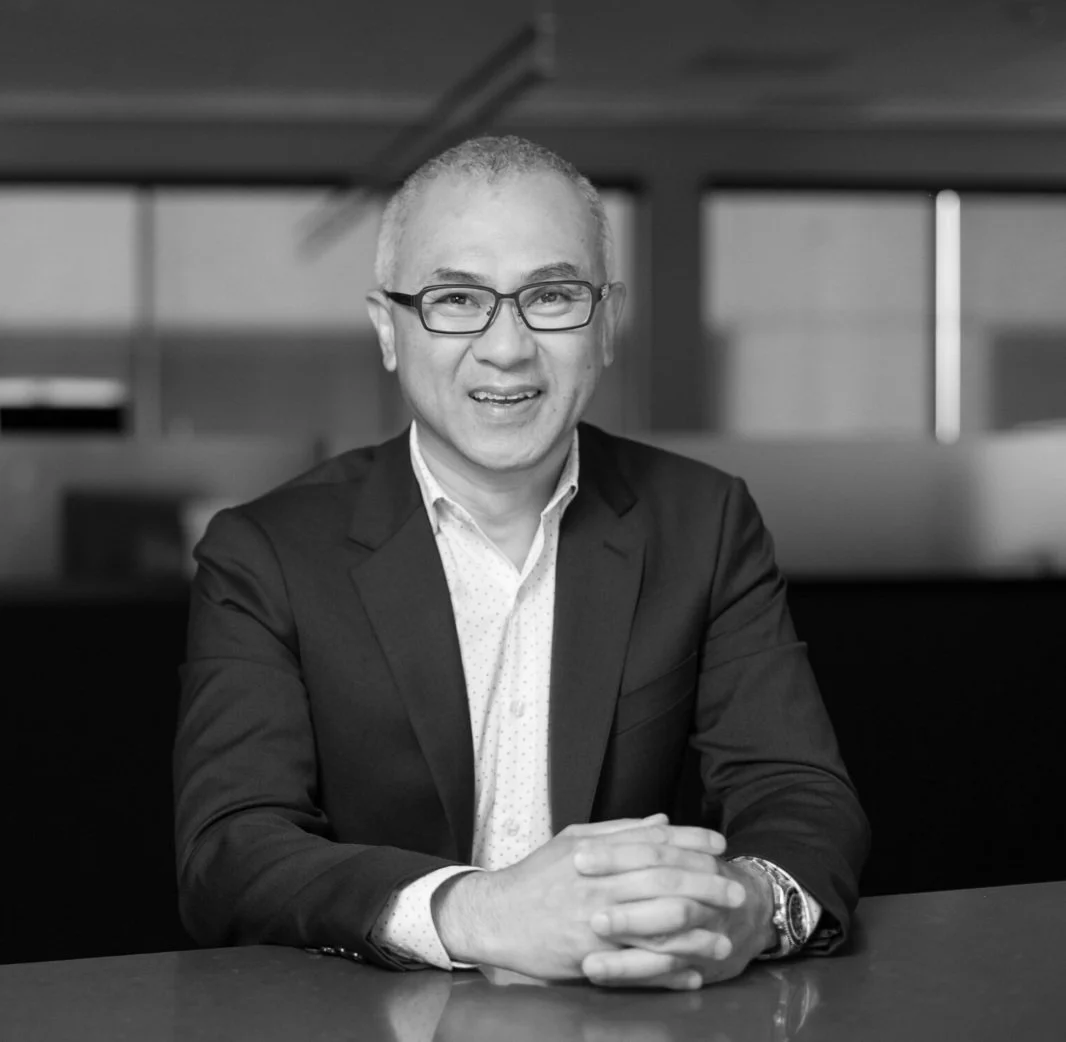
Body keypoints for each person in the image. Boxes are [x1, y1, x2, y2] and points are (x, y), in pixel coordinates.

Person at [174, 135, 869, 991]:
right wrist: (486, 913)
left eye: (551, 296)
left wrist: (748, 905)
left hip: (638, 1014)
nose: (507, 348)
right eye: (456, 299)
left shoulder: (705, 520)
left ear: (607, 321)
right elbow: (231, 850)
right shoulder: (267, 553)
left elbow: (800, 792)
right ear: (388, 330)